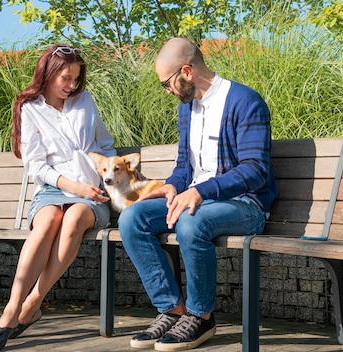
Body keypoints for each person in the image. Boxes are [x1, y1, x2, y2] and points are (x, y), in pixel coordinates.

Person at [118, 37, 278, 351]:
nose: (167, 91)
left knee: (192, 223)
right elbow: (184, 165)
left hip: (246, 203)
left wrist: (200, 193)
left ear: (187, 72)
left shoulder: (245, 101)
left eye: (166, 83)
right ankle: (172, 309)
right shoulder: (187, 108)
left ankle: (201, 316)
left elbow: (255, 170)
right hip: (200, 199)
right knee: (132, 218)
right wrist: (174, 185)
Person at [0, 44, 116, 352]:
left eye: (76, 79)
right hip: (53, 189)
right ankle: (11, 311)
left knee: (72, 220)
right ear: (49, 73)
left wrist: (102, 170)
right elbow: (36, 165)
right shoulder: (31, 108)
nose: (71, 85)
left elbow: (105, 144)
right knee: (46, 224)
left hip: (90, 194)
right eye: (65, 78)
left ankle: (34, 302)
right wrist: (71, 186)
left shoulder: (85, 102)